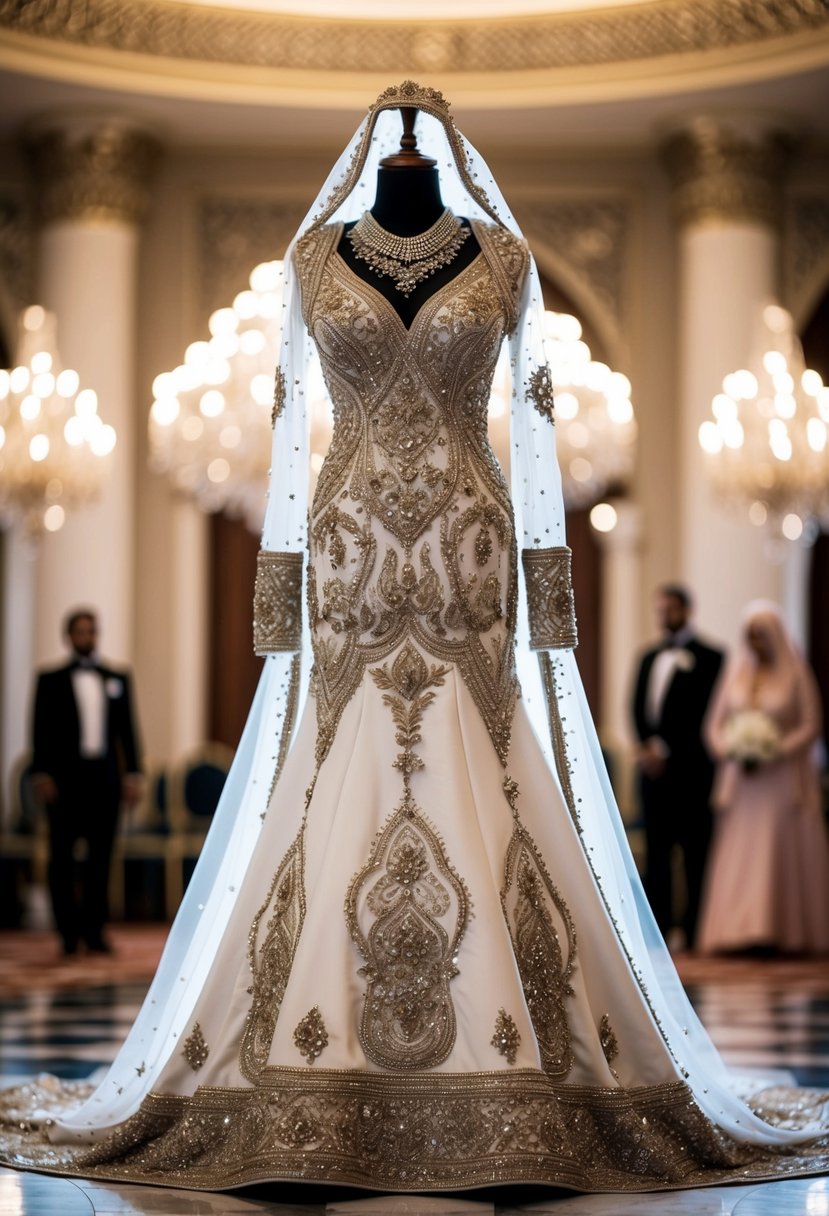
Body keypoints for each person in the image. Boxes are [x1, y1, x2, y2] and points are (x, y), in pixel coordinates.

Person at [1, 82, 827, 1192]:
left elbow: (531, 433)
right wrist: (278, 586)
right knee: (331, 764)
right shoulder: (310, 261)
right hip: (345, 545)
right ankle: (308, 1059)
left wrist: (548, 591)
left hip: (469, 548)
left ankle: (523, 1053)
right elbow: (293, 432)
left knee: (483, 759)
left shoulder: (503, 259)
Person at [697, 603, 829, 955]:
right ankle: (739, 930)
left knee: (777, 848)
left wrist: (774, 749)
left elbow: (811, 723)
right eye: (751, 635)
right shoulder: (735, 674)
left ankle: (784, 930)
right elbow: (714, 725)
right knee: (743, 855)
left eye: (762, 635)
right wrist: (732, 749)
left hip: (782, 777)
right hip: (742, 782)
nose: (756, 642)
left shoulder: (796, 673)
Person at [30, 608, 142, 956]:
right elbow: (39, 730)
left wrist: (133, 774)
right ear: (69, 637)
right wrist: (42, 772)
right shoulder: (50, 680)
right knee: (62, 857)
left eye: (91, 631)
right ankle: (67, 933)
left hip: (104, 779)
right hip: (64, 780)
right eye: (80, 632)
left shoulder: (117, 677)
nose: (86, 637)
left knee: (101, 858)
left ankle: (95, 931)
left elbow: (128, 731)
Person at [631, 585, 725, 949]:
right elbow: (636, 707)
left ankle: (695, 929)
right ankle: (660, 930)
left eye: (670, 609)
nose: (664, 615)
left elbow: (705, 712)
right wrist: (648, 746)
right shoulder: (647, 656)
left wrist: (668, 749)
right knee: (657, 855)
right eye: (660, 609)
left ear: (687, 610)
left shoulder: (712, 657)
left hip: (692, 773)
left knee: (694, 853)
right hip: (652, 775)